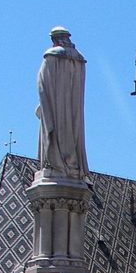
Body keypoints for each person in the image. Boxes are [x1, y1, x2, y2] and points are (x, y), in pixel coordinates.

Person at [36, 27, 89, 179]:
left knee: (56, 134)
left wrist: (44, 103)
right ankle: (71, 163)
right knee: (71, 133)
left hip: (54, 107)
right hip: (73, 111)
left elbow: (43, 84)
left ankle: (57, 163)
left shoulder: (51, 56)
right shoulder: (79, 60)